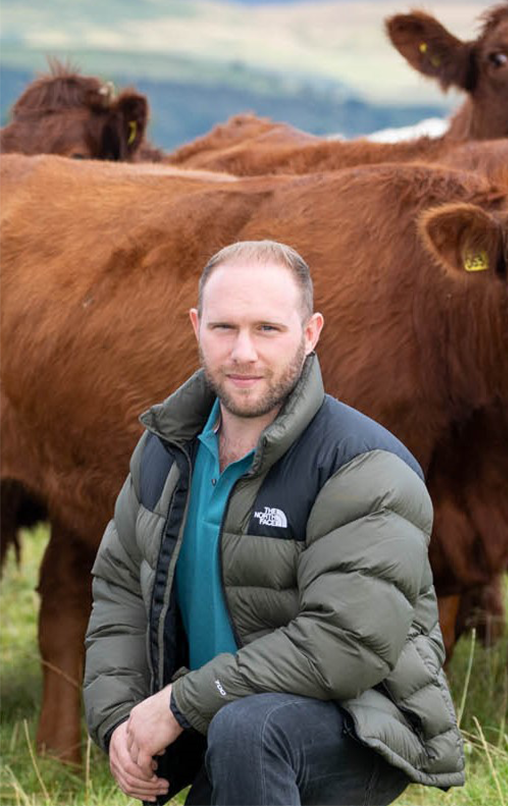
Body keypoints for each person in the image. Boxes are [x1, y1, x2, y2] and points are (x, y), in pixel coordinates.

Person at [83, 239, 464, 805]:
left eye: (267, 329)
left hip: (355, 719)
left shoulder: (364, 465)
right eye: (224, 328)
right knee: (241, 729)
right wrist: (120, 721)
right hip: (219, 715)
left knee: (250, 729)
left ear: (310, 334)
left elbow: (345, 646)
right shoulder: (164, 450)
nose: (243, 352)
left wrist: (181, 703)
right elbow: (120, 592)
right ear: (196, 328)